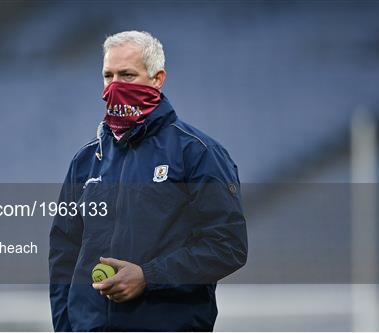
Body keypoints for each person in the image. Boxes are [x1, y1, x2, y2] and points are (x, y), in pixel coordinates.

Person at [49, 30, 247, 331]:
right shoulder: (86, 161)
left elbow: (227, 247)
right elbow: (64, 251)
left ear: (157, 78)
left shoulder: (198, 153)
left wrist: (149, 276)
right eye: (108, 76)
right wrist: (66, 327)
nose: (115, 86)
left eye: (127, 75)